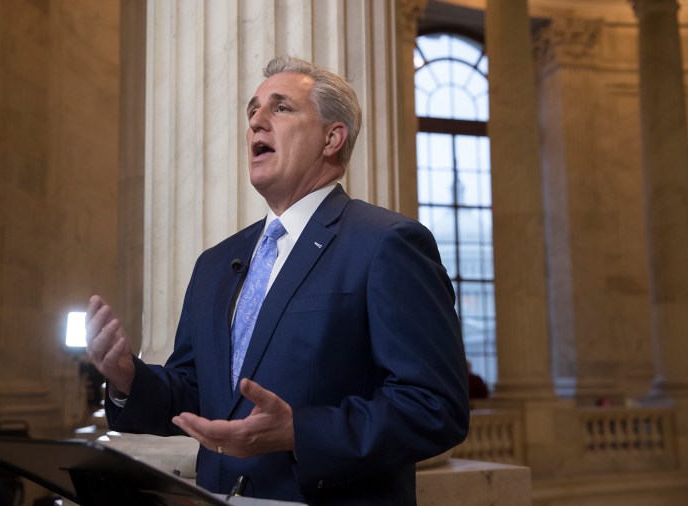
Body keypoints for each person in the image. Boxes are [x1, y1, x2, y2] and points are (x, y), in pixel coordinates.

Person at [86, 55, 469, 505]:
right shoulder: (216, 262)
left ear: (332, 138)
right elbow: (194, 390)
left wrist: (298, 432)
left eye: (281, 108)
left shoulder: (387, 243)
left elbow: (434, 407)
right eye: (252, 112)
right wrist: (128, 378)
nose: (256, 123)